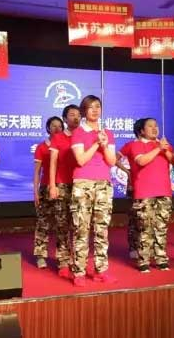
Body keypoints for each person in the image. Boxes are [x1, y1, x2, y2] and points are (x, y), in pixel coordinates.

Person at [70, 95, 117, 286]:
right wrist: (96, 143)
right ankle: (79, 272)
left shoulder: (107, 133)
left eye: (98, 106)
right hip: (83, 183)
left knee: (101, 229)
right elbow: (80, 160)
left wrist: (104, 144)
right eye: (91, 107)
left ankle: (101, 270)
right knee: (81, 228)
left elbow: (112, 161)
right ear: (84, 111)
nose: (95, 110)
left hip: (103, 183)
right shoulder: (78, 132)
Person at [120, 118, 174, 273]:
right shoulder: (136, 145)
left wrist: (166, 149)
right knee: (145, 227)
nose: (154, 128)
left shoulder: (163, 144)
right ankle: (143, 259)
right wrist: (158, 149)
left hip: (164, 191)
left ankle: (161, 258)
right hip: (144, 192)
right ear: (142, 131)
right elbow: (142, 161)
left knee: (161, 227)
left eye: (156, 126)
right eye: (150, 126)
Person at [43, 105, 82, 277]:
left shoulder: (83, 136)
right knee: (62, 225)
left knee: (79, 225)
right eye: (72, 115)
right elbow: (53, 163)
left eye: (78, 115)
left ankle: (77, 261)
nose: (76, 118)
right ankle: (63, 262)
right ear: (65, 119)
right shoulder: (58, 137)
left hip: (80, 184)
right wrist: (52, 185)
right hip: (62, 185)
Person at [32, 116, 68, 273]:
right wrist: (35, 192)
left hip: (63, 188)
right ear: (48, 128)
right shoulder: (41, 147)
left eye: (60, 126)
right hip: (46, 188)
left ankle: (63, 258)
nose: (57, 129)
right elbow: (37, 172)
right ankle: (40, 255)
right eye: (53, 126)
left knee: (62, 224)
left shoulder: (65, 144)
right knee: (43, 223)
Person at [116, 119, 144, 261]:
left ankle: (146, 247)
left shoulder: (155, 145)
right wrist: (127, 171)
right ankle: (133, 246)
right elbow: (115, 159)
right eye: (149, 126)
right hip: (134, 185)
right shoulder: (130, 145)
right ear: (141, 131)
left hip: (151, 187)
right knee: (135, 217)